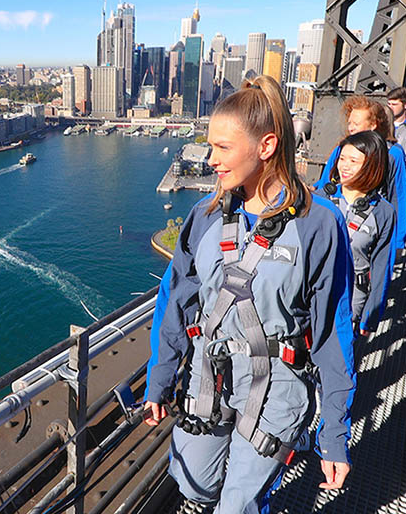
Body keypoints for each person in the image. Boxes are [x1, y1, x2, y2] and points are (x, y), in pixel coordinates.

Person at [145, 76, 355, 513]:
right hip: (209, 372)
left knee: (237, 504)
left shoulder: (319, 224)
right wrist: (159, 380)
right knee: (194, 483)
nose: (212, 160)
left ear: (266, 146)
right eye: (211, 146)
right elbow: (177, 300)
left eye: (223, 148)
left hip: (277, 382)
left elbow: (333, 332)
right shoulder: (205, 217)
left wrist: (333, 433)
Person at [320, 131, 397, 336]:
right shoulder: (319, 200)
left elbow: (381, 267)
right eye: (342, 159)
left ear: (372, 165)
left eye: (353, 160)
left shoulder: (383, 212)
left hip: (351, 301)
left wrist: (371, 316)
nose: (344, 166)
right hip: (314, 298)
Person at [315, 96, 406, 252]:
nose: (351, 128)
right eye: (349, 123)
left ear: (373, 125)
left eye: (356, 124)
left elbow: (398, 196)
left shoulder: (393, 154)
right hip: (337, 217)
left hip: (372, 223)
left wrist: (398, 240)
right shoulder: (341, 149)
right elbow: (326, 185)